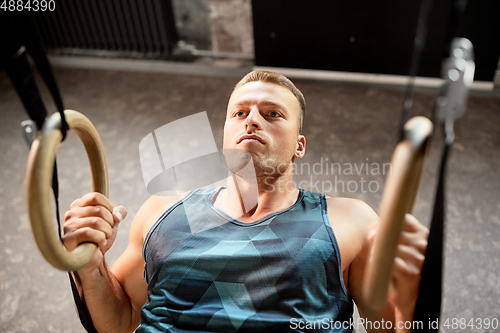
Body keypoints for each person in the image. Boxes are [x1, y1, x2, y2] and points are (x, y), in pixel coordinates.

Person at [63, 70, 429, 332]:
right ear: (225, 134)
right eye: (239, 113)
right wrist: (90, 266)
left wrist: (413, 297)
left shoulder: (348, 219)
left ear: (299, 145)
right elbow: (122, 322)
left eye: (272, 114)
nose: (251, 120)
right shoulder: (162, 211)